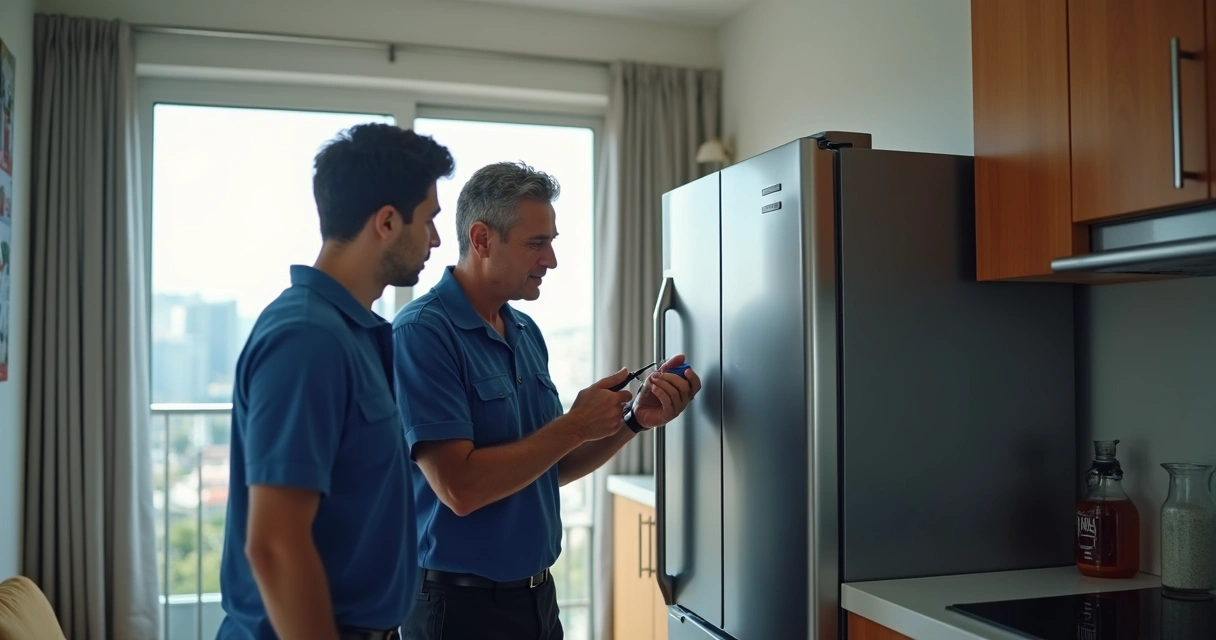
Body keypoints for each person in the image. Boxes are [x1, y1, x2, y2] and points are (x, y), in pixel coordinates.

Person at [392, 161, 702, 639]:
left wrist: (633, 420)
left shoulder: (526, 332)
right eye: (537, 243)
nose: (551, 260)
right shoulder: (423, 333)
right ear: (482, 240)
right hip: (456, 611)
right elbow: (460, 489)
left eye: (552, 242)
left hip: (537, 603)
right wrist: (574, 424)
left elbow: (549, 465)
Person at [216, 123, 455, 640]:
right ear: (387, 222)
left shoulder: (358, 335)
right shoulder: (307, 339)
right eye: (430, 219)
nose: (437, 239)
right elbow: (275, 544)